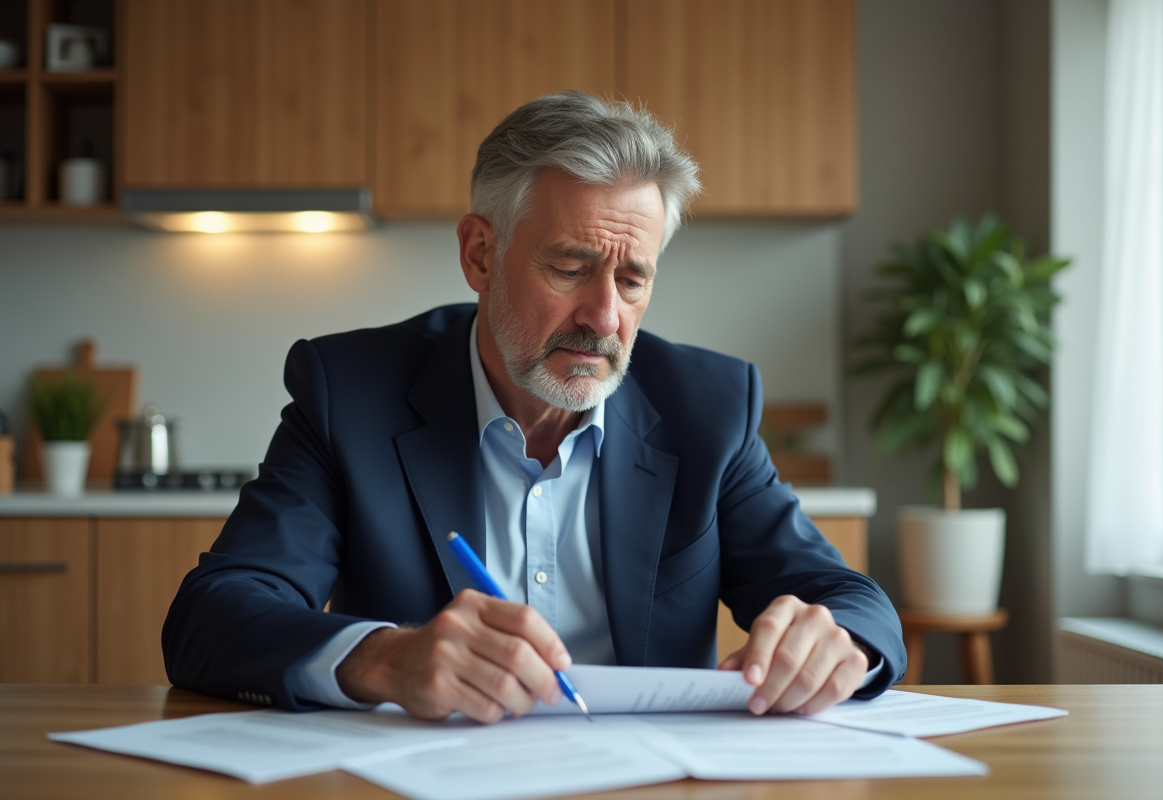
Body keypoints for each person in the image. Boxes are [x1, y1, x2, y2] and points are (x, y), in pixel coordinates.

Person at [163, 92, 905, 723]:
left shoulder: (707, 407)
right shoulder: (350, 393)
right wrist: (385, 658)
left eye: (633, 280)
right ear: (480, 255)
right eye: (571, 267)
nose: (604, 317)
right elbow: (213, 614)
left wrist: (836, 641)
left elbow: (849, 599)